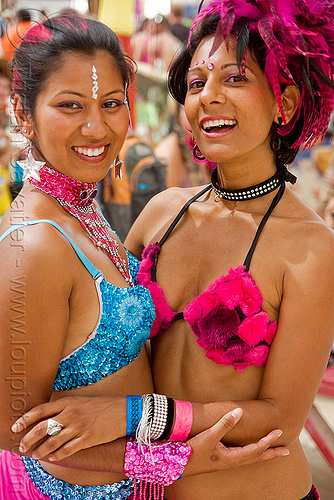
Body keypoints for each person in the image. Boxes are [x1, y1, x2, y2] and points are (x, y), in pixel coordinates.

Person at [12, 1, 334, 499]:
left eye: (235, 78)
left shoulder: (310, 248)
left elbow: (281, 418)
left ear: (285, 105)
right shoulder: (164, 211)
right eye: (198, 83)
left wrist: (128, 415)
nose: (210, 97)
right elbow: (94, 323)